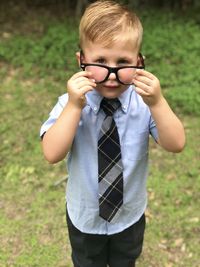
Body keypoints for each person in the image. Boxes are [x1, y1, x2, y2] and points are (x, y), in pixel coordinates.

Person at [40, 1, 185, 266]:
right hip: (85, 217)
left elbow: (176, 144)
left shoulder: (145, 103)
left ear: (139, 62)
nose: (111, 74)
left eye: (122, 62)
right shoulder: (70, 104)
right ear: (81, 60)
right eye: (100, 61)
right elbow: (51, 153)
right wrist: (74, 106)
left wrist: (158, 102)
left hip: (129, 215)